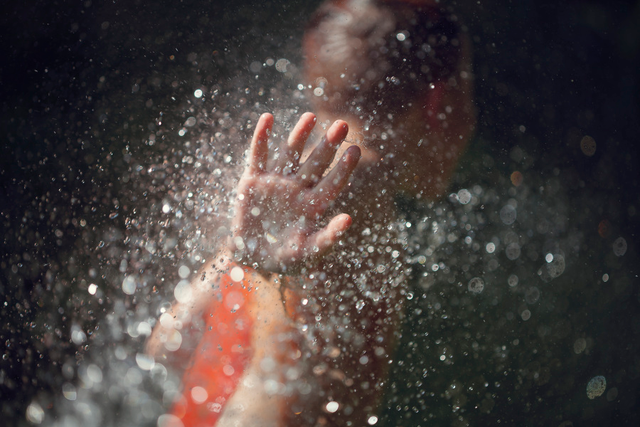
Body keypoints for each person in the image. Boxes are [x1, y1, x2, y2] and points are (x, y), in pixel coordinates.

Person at [146, 0, 475, 425]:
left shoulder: (288, 197)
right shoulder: (358, 201)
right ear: (439, 100)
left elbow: (167, 345)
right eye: (470, 92)